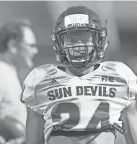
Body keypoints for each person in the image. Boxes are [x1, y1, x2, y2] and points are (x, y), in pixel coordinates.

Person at [21, 6, 137, 144]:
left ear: (98, 41)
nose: (78, 45)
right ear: (59, 43)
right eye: (71, 40)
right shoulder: (40, 78)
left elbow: (133, 132)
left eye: (85, 38)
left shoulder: (120, 74)